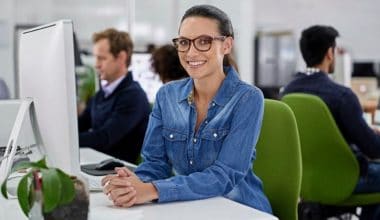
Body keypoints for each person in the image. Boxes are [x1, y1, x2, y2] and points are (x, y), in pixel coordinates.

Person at [101, 5, 272, 214]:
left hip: (239, 209)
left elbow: (224, 175)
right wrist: (132, 185)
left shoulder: (248, 98)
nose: (191, 52)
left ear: (226, 45)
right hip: (189, 208)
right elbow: (155, 163)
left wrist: (153, 190)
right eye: (184, 42)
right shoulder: (167, 96)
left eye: (204, 42)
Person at [281, 25, 380, 219]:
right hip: (348, 179)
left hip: (307, 181)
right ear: (330, 53)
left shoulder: (287, 93)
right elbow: (374, 150)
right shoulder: (342, 96)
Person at [78, 28, 150, 164]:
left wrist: (66, 140)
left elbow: (105, 138)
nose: (96, 64)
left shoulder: (134, 96)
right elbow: (81, 124)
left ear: (121, 57)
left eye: (102, 58)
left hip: (120, 173)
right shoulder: (101, 94)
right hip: (97, 164)